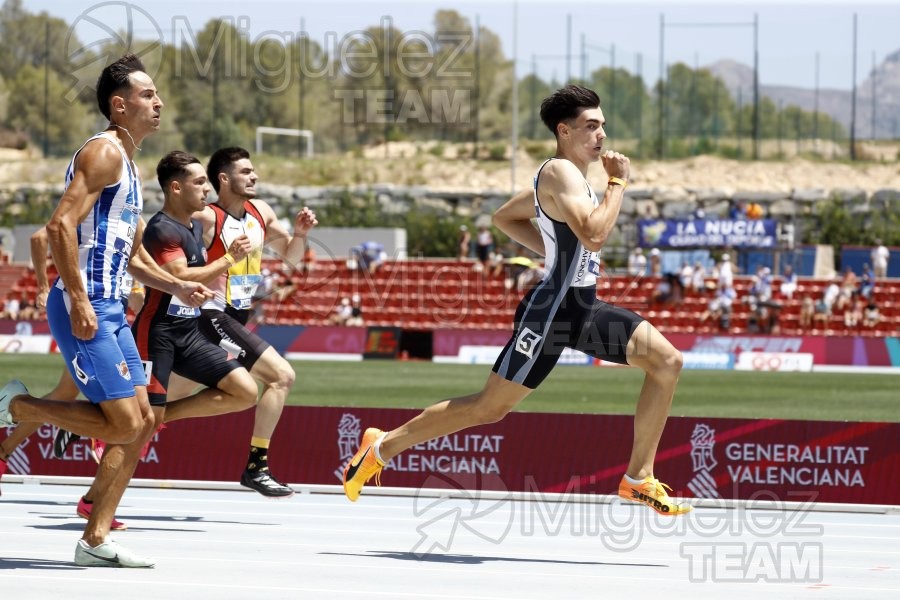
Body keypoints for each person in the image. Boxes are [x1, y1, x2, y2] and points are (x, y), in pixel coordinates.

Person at [342, 85, 690, 516]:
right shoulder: (560, 173)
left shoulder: (573, 180)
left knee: (667, 362)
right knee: (488, 409)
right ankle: (381, 447)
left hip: (583, 307)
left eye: (603, 125)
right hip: (551, 315)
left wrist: (555, 249)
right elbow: (596, 235)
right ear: (564, 131)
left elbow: (504, 217)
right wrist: (617, 182)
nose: (601, 134)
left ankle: (638, 478)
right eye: (591, 126)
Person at [0, 54, 213, 567]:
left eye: (157, 94)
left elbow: (129, 256)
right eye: (147, 95)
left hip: (112, 307)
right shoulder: (104, 153)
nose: (157, 102)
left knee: (141, 424)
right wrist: (76, 298)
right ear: (119, 105)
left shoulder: (129, 161)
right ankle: (17, 407)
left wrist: (174, 286)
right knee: (120, 424)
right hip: (87, 306)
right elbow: (56, 227)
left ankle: (94, 540)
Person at [196, 146, 318, 497]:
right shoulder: (205, 218)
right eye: (246, 171)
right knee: (282, 376)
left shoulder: (260, 212)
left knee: (163, 401)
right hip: (210, 316)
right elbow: (173, 260)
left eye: (254, 171)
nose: (255, 176)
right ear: (224, 178)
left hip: (236, 317)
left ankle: (100, 421)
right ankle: (256, 466)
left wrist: (300, 234)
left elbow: (291, 259)